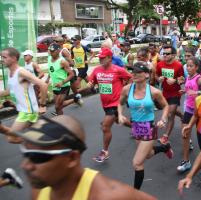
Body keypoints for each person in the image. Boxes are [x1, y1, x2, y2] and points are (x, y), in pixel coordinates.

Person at [15, 115, 156, 199]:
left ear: (72, 158)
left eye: (37, 157)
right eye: (25, 153)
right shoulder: (39, 189)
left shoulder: (110, 196)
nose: (25, 165)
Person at [118, 62, 173, 190]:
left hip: (149, 126)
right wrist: (120, 114)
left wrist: (163, 119)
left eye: (138, 72)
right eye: (133, 72)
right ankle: (164, 148)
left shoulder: (154, 92)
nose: (134, 74)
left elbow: (166, 106)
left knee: (137, 162)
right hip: (136, 126)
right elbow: (120, 103)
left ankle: (135, 193)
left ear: (146, 75)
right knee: (148, 154)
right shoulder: (127, 89)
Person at [88, 48, 132, 162]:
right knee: (119, 120)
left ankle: (105, 152)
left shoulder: (118, 70)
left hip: (116, 103)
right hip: (105, 103)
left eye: (103, 58)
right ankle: (138, 128)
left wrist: (125, 90)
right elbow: (91, 82)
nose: (100, 59)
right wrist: (90, 84)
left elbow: (130, 78)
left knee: (105, 127)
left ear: (109, 58)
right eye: (100, 58)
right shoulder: (97, 70)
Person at [0, 47, 47, 143]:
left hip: (28, 112)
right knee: (35, 134)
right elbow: (8, 91)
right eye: (1, 57)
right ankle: (43, 140)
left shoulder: (21, 72)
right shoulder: (10, 72)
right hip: (23, 110)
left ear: (13, 58)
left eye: (4, 57)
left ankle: (40, 141)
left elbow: (43, 85)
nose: (2, 60)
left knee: (12, 138)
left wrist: (42, 105)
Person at [177, 57, 201, 173]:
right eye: (187, 66)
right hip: (189, 109)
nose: (188, 68)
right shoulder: (188, 77)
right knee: (184, 133)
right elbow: (189, 90)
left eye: (191, 66)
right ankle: (186, 161)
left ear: (197, 67)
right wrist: (185, 91)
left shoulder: (200, 79)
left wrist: (197, 92)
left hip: (199, 111)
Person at [156, 45, 184, 144]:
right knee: (172, 110)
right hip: (164, 93)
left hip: (175, 93)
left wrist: (176, 80)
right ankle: (181, 115)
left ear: (173, 55)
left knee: (170, 114)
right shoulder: (160, 64)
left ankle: (165, 136)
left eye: (167, 54)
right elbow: (156, 75)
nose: (165, 55)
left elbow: (182, 79)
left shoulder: (178, 65)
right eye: (164, 53)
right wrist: (158, 79)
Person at [47, 43, 75, 116]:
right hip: (55, 85)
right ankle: (62, 121)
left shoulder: (63, 62)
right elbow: (51, 70)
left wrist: (62, 83)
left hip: (64, 86)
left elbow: (72, 74)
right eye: (50, 51)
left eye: (53, 51)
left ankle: (61, 121)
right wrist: (47, 79)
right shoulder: (49, 58)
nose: (51, 53)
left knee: (57, 106)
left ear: (58, 51)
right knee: (58, 107)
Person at [54, 37, 82, 106]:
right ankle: (76, 100)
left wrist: (63, 65)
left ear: (61, 43)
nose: (55, 43)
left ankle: (77, 100)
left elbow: (72, 63)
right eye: (54, 41)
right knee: (64, 92)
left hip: (70, 73)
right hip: (63, 74)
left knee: (74, 91)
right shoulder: (56, 51)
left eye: (56, 41)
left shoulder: (64, 51)